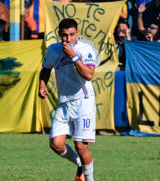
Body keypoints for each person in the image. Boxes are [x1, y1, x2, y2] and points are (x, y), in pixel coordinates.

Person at [39, 18, 96, 181]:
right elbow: (45, 69)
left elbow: (89, 75)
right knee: (56, 144)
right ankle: (80, 164)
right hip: (64, 103)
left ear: (77, 33)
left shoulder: (85, 49)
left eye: (72, 34)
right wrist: (42, 85)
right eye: (64, 35)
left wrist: (74, 57)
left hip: (83, 102)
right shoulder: (53, 50)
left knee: (80, 145)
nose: (68, 39)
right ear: (59, 34)